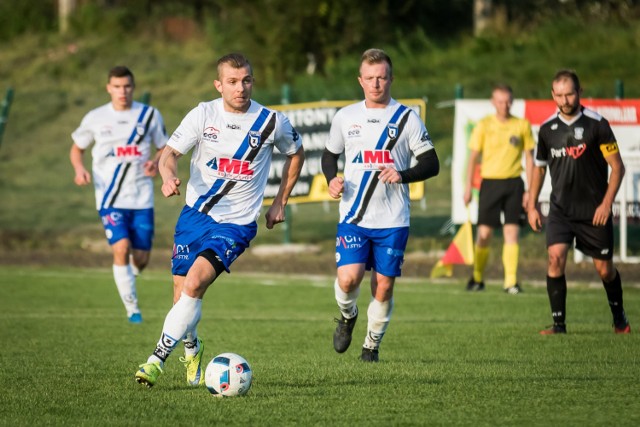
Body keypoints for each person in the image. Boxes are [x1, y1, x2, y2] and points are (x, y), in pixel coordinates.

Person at [134, 53, 304, 387]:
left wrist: (279, 202)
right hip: (194, 216)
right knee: (182, 293)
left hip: (235, 224)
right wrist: (168, 177)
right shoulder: (203, 114)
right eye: (232, 82)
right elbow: (169, 155)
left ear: (252, 81)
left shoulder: (272, 122)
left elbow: (296, 153)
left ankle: (155, 360)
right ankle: (192, 347)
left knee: (195, 283)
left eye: (246, 80)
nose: (240, 88)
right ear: (218, 84)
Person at [321, 48, 439, 362]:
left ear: (391, 79)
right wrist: (332, 179)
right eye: (370, 78)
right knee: (348, 279)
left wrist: (402, 174)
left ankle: (371, 346)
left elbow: (431, 163)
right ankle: (347, 315)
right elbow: (329, 155)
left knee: (383, 287)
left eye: (382, 77)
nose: (376, 84)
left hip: (393, 219)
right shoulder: (346, 116)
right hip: (354, 215)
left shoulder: (407, 118)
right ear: (360, 80)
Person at [527, 69, 631, 335]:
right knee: (555, 258)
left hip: (594, 211)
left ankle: (619, 318)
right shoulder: (547, 130)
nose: (565, 100)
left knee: (604, 270)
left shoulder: (598, 125)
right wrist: (532, 204)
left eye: (570, 94)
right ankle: (559, 325)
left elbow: (617, 168)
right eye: (559, 95)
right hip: (561, 210)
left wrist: (606, 204)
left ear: (580, 92)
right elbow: (538, 168)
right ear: (552, 95)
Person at [70, 66, 168, 324]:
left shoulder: (149, 115)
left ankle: (128, 279)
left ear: (133, 88)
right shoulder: (96, 117)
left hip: (141, 197)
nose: (122, 91)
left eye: (127, 86)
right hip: (109, 196)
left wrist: (157, 162)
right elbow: (76, 149)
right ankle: (132, 308)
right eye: (117, 86)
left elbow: (164, 147)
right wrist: (79, 170)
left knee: (142, 259)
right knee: (121, 248)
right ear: (108, 88)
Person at [463, 84, 535, 294]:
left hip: (514, 184)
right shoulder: (484, 125)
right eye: (500, 101)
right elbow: (473, 158)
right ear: (493, 102)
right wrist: (467, 186)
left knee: (511, 233)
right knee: (484, 233)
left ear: (512, 101)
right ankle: (477, 278)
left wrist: (530, 190)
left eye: (508, 101)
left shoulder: (522, 125)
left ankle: (510, 282)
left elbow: (530, 158)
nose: (504, 105)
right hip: (490, 183)